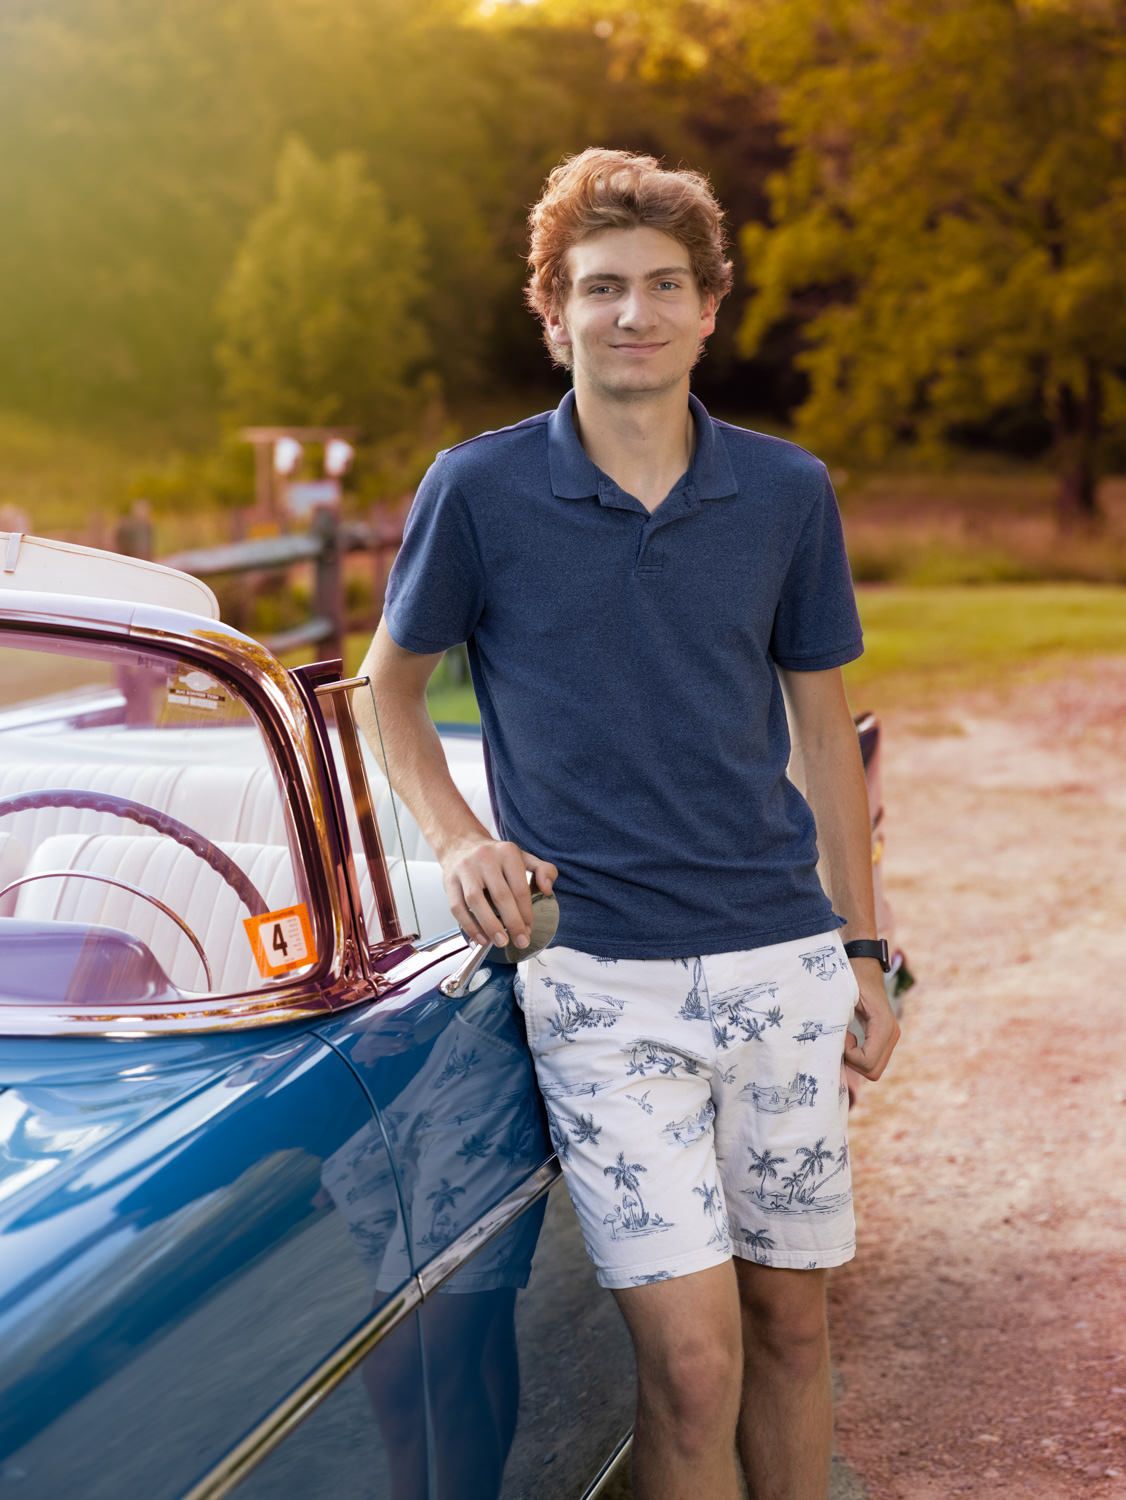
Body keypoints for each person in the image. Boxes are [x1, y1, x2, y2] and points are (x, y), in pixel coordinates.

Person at [360, 146, 900, 1500]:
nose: (634, 313)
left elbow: (823, 734)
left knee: (789, 1324)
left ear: (710, 307)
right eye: (601, 288)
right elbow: (387, 697)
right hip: (599, 982)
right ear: (553, 311)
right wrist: (457, 837)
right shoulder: (476, 492)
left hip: (779, 961)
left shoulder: (785, 493)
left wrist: (866, 949)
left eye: (664, 285)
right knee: (691, 1366)